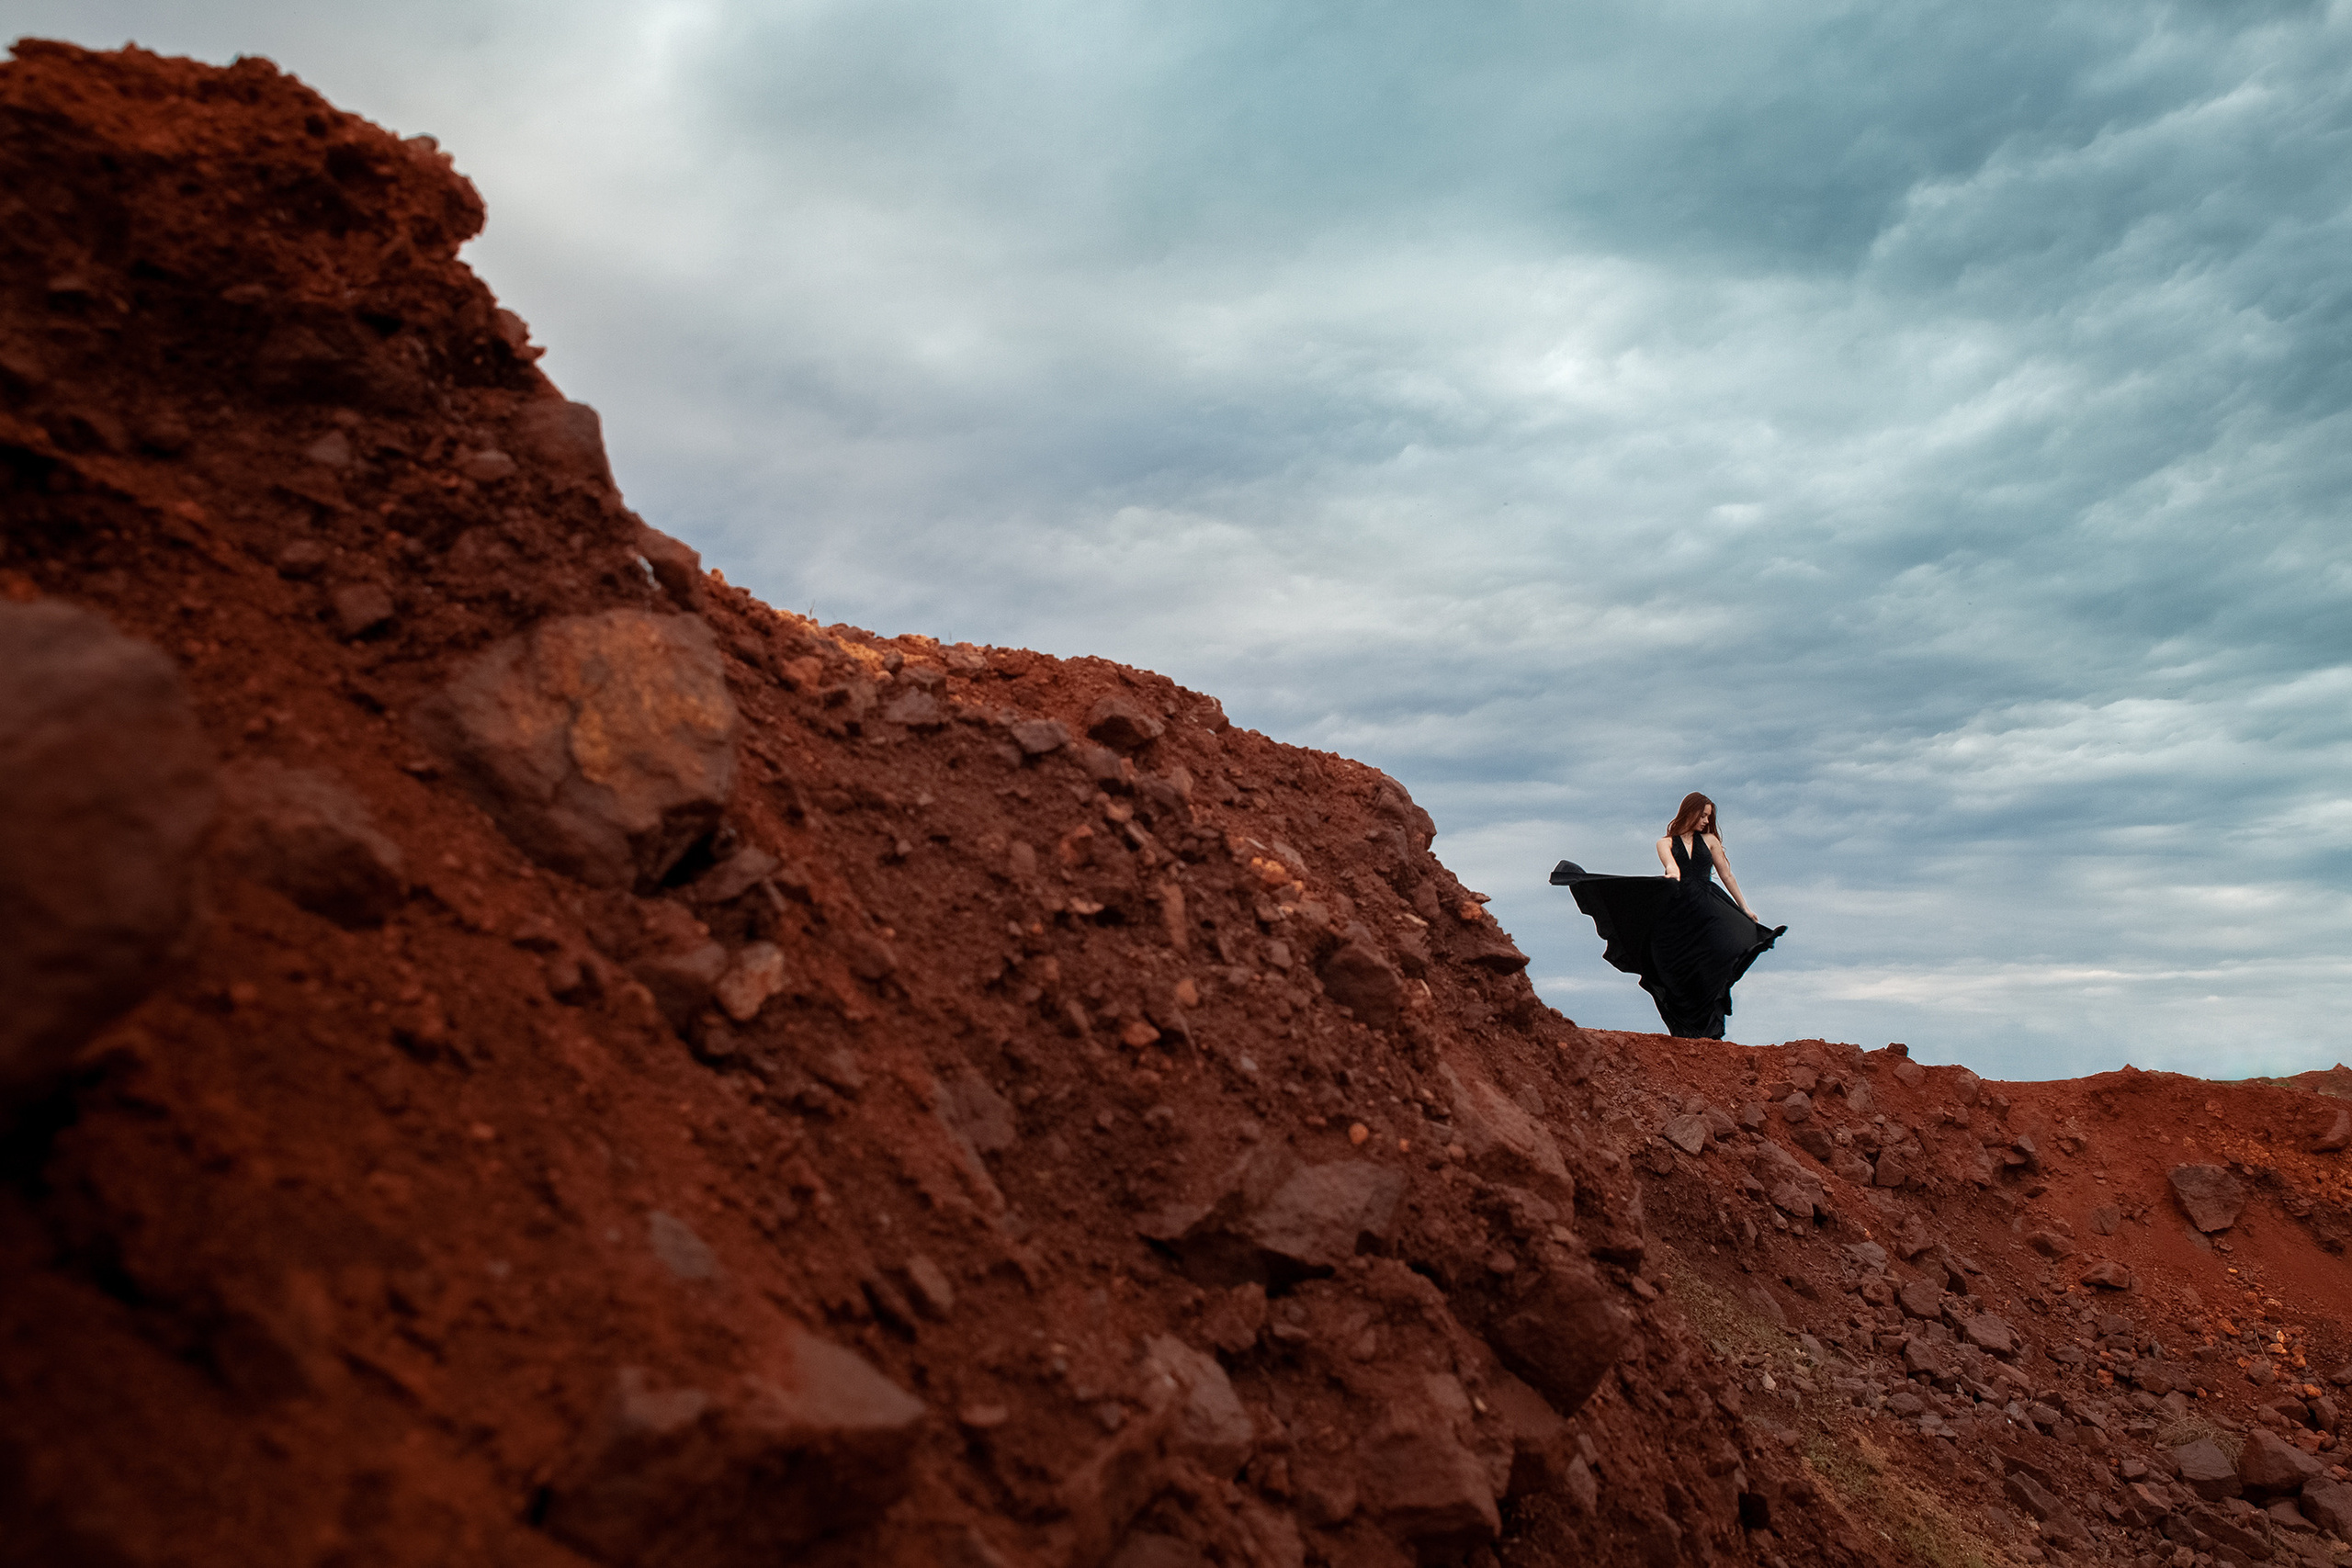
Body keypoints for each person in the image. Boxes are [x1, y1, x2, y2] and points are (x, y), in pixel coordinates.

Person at [1549, 792, 1786, 1040]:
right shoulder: (1665, 843)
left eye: (1708, 817)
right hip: (1679, 910)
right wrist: (1672, 873)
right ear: (1690, 812)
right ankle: (1687, 1030)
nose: (1706, 821)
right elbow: (1671, 866)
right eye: (1703, 816)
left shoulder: (1711, 840)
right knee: (1676, 967)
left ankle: (1710, 1028)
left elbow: (1727, 875)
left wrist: (1744, 907)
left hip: (1708, 906)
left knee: (1715, 958)